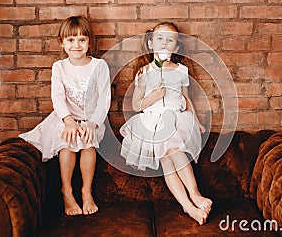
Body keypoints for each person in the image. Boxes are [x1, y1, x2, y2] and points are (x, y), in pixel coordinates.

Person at [120, 22, 212, 225]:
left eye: (170, 40)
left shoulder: (181, 70)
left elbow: (186, 99)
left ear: (176, 48)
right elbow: (137, 105)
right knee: (167, 162)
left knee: (173, 154)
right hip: (153, 123)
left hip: (176, 119)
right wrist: (153, 96)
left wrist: (196, 121)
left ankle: (194, 197)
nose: (164, 43)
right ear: (151, 43)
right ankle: (190, 204)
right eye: (160, 39)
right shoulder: (143, 73)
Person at [19, 15, 111, 216]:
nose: (76, 45)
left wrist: (92, 124)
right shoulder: (59, 67)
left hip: (91, 120)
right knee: (67, 141)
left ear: (89, 43)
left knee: (88, 143)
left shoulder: (99, 66)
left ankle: (86, 192)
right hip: (65, 118)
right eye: (70, 40)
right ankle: (67, 191)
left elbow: (104, 98)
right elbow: (58, 97)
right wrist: (68, 121)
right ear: (62, 42)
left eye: (82, 40)